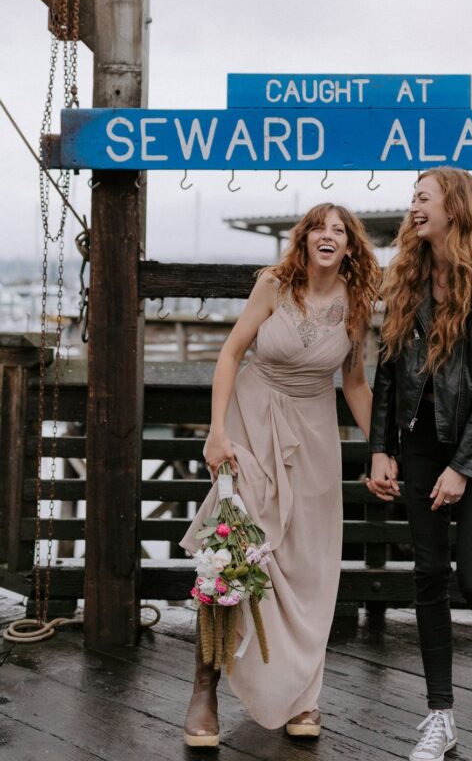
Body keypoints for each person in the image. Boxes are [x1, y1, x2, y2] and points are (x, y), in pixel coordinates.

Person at [180, 202, 381, 748]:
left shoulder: (358, 302)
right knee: (230, 549)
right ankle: (205, 689)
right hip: (251, 422)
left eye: (340, 230)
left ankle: (302, 694)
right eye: (319, 226)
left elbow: (356, 384)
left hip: (314, 436)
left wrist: (381, 450)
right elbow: (230, 354)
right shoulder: (274, 284)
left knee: (308, 565)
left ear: (349, 247)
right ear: (305, 238)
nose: (328, 235)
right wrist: (216, 432)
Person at [367, 166, 472, 759]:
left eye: (422, 197)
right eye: (412, 197)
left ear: (454, 207)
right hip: (419, 443)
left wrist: (463, 466)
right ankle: (441, 715)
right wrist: (381, 449)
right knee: (429, 576)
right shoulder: (405, 276)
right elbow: (387, 370)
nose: (413, 207)